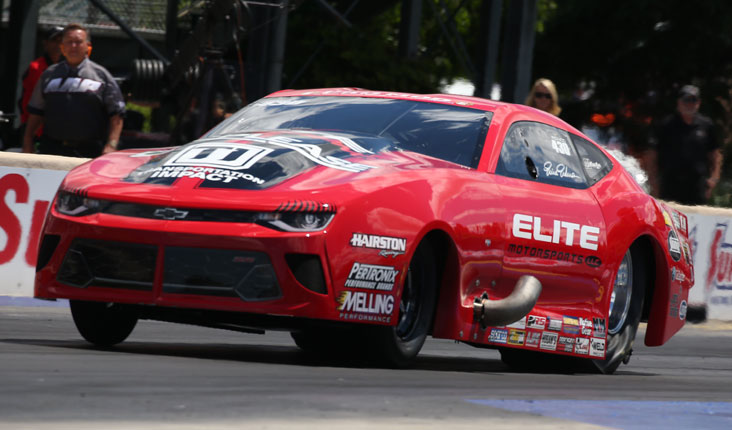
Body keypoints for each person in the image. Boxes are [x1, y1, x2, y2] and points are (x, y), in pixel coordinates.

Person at [22, 23, 125, 157]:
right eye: (69, 42)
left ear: (87, 46)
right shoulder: (49, 75)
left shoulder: (101, 75)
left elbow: (117, 114)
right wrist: (28, 141)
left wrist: (111, 145)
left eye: (78, 42)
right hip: (51, 149)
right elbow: (36, 113)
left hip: (89, 151)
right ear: (62, 47)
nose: (73, 46)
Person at [650, 85, 723, 205]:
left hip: (697, 186)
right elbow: (653, 155)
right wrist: (653, 182)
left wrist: (714, 178)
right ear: (679, 102)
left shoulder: (706, 125)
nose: (689, 104)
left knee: (697, 215)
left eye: (693, 100)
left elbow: (715, 154)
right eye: (686, 100)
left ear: (698, 103)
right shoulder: (666, 125)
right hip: (670, 185)